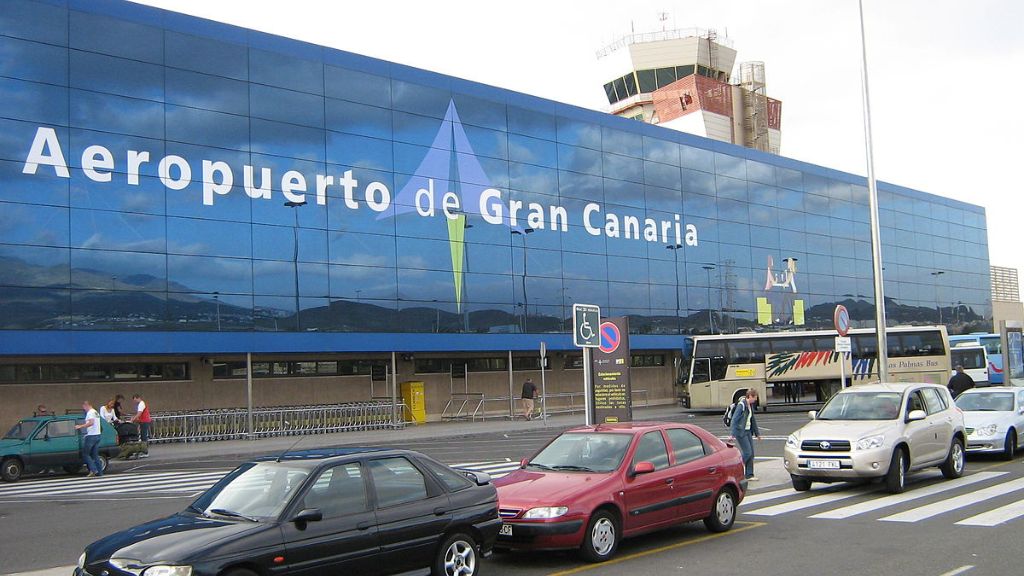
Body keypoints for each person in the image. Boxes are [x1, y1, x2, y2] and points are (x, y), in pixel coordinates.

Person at [729, 389, 762, 481]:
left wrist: (757, 433)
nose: (755, 400)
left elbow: (752, 420)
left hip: (748, 432)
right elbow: (734, 420)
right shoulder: (741, 405)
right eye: (755, 398)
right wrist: (732, 434)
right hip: (741, 432)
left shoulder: (750, 405)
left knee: (751, 453)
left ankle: (749, 475)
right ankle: (735, 469)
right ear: (750, 396)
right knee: (747, 452)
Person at [74, 400, 103, 477]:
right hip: (97, 435)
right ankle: (100, 472)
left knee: (85, 454)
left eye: (84, 407)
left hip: (91, 436)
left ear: (86, 405)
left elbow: (91, 423)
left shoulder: (90, 413)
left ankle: (93, 470)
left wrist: (80, 426)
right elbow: (95, 425)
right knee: (95, 455)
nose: (84, 409)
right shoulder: (95, 412)